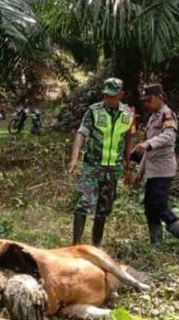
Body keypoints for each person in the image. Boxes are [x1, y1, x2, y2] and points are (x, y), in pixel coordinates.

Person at [132, 84, 179, 259]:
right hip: (152, 169)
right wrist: (141, 171)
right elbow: (148, 150)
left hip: (164, 168)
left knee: (159, 206)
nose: (147, 104)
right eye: (145, 101)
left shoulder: (168, 115)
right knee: (149, 207)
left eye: (149, 99)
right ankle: (156, 244)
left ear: (159, 96)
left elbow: (169, 136)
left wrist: (147, 143)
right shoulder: (153, 117)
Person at [68, 78, 134, 247]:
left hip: (113, 168)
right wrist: (74, 159)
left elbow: (128, 139)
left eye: (112, 96)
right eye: (105, 95)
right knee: (84, 203)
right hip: (93, 166)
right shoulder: (94, 111)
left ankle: (96, 245)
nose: (108, 99)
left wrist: (128, 165)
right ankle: (75, 245)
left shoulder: (127, 114)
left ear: (121, 95)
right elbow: (81, 133)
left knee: (104, 208)